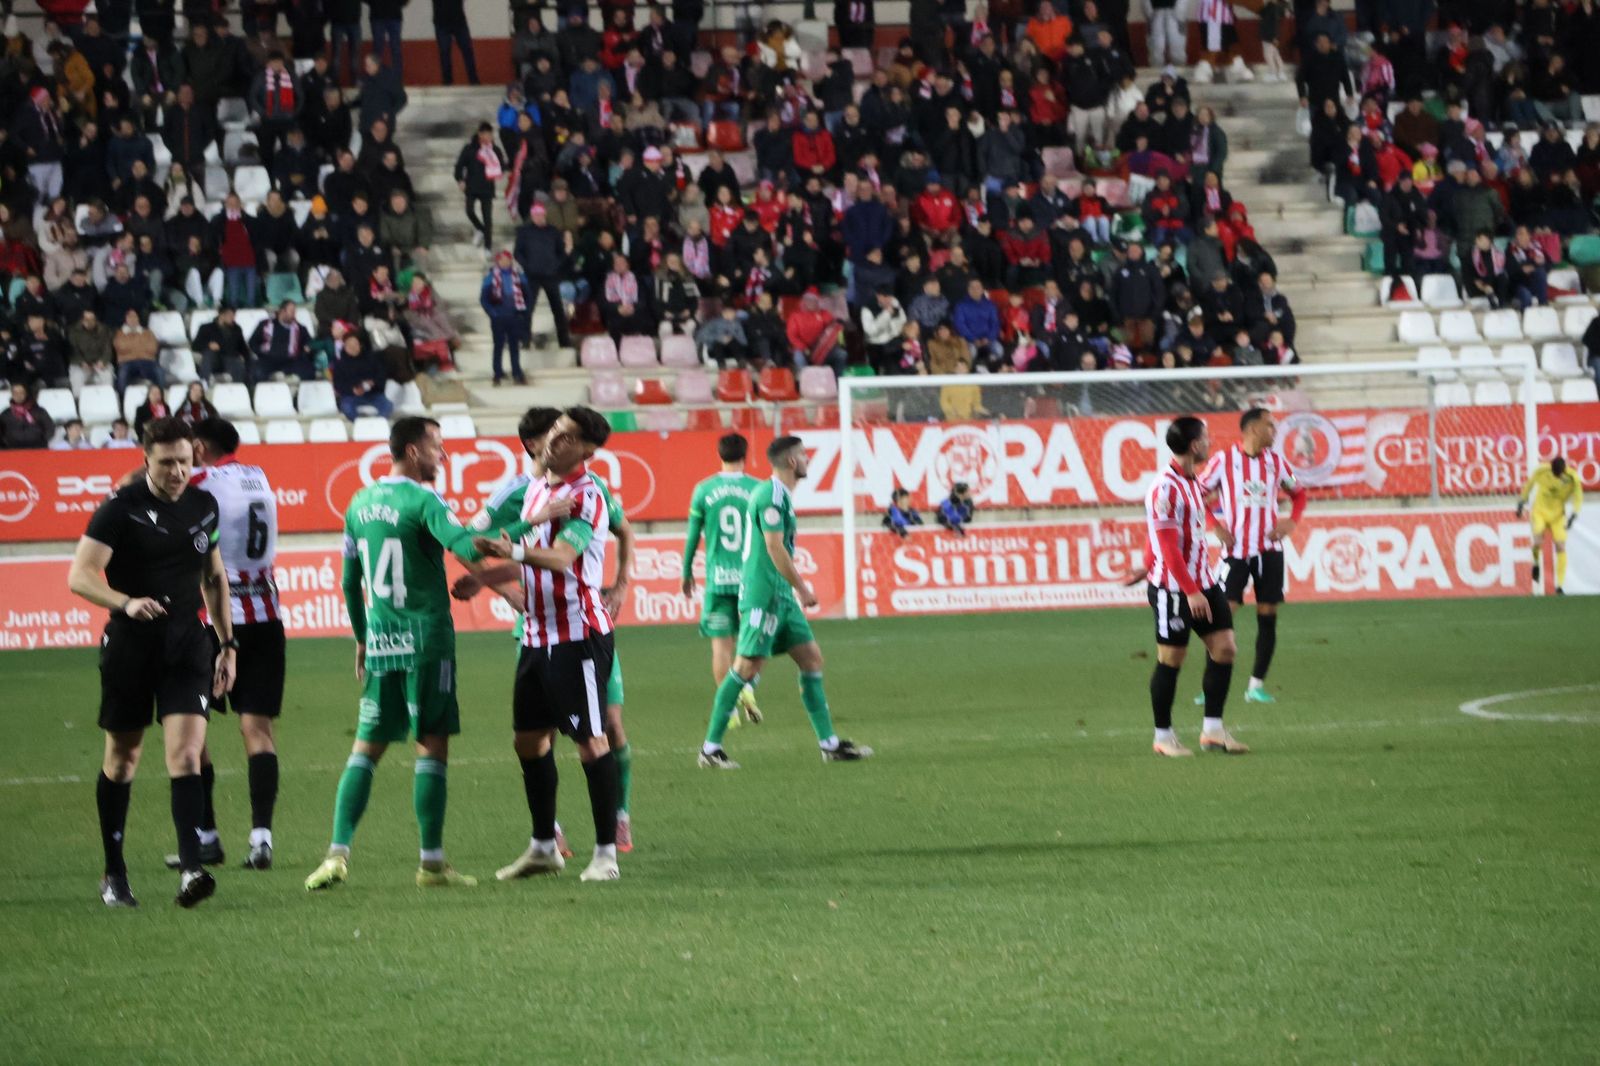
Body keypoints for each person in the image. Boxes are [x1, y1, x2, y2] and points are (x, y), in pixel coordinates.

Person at [304, 417, 486, 892]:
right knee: (433, 743)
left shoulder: (358, 503)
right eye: (437, 448)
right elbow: (464, 546)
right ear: (411, 450)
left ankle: (336, 854)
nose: (443, 457)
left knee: (366, 748)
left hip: (382, 641)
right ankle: (430, 864)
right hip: (427, 641)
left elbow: (349, 581)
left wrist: (363, 638)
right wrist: (522, 529)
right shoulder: (425, 501)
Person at [67, 417, 237, 907]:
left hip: (188, 644)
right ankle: (114, 874)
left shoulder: (204, 506)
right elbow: (80, 575)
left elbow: (214, 578)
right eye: (166, 463)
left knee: (186, 754)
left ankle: (190, 870)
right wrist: (125, 602)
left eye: (185, 460)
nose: (177, 471)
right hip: (131, 647)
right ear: (146, 461)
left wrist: (228, 644)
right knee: (123, 758)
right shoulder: (120, 510)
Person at [456, 408, 624, 882]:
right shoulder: (538, 489)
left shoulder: (587, 495)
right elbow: (530, 562)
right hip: (535, 635)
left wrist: (509, 551)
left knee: (591, 742)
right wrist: (489, 577)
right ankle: (543, 846)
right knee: (528, 741)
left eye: (565, 435)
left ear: (587, 450)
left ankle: (606, 855)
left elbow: (562, 557)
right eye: (553, 431)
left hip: (577, 635)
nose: (553, 440)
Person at [698, 436, 873, 769]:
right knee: (745, 668)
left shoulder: (781, 495)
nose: (807, 460)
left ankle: (829, 745)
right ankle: (710, 749)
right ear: (792, 462)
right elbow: (775, 547)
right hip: (763, 594)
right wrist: (803, 588)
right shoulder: (770, 495)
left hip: (780, 596)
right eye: (804, 455)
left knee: (811, 659)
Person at [159, 419, 284, 872]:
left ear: (197, 447)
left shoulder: (201, 480)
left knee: (194, 729)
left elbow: (153, 486)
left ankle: (207, 836)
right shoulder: (260, 477)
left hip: (215, 620)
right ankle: (261, 838)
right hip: (267, 615)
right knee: (258, 731)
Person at [1143, 416, 1247, 758]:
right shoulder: (1165, 488)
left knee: (1225, 648)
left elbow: (1158, 536)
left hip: (1204, 581)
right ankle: (1163, 736)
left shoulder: (1193, 483)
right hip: (1175, 589)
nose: (1210, 442)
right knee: (1172, 658)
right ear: (1194, 445)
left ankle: (1213, 731)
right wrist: (1189, 590)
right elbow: (1167, 545)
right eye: (1206, 438)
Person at [1195, 408, 1307, 706]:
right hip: (1235, 553)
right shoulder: (1224, 461)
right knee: (1221, 617)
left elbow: (1300, 494)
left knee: (1267, 617)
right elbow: (1196, 493)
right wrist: (1214, 525)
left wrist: (1291, 522)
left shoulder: (1276, 463)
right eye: (1270, 425)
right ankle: (1210, 687)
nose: (1275, 430)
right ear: (1253, 429)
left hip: (1269, 552)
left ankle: (1255, 686)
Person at [681, 433, 764, 724]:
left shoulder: (704, 490)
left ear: (719, 454)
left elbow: (693, 535)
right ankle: (748, 689)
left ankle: (728, 711)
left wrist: (686, 571)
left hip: (718, 580)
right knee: (752, 645)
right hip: (751, 581)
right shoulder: (758, 489)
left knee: (721, 648)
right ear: (746, 454)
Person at [1517, 457, 1583, 594]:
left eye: (1558, 473)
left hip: (1558, 516)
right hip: (1540, 512)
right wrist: (1521, 501)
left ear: (1564, 470)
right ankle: (1536, 564)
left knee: (1560, 545)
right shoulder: (1542, 471)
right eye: (1554, 472)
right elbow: (1529, 484)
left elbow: (1578, 496)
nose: (1556, 475)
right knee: (1537, 541)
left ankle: (1559, 586)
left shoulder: (1572, 478)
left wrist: (1574, 514)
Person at [480, 250, 530, 386]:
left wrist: (522, 312)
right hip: (499, 317)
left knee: (514, 346)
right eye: (502, 260)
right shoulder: (490, 278)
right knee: (498, 345)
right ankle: (497, 372)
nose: (505, 262)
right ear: (498, 261)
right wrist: (493, 312)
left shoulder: (519, 276)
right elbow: (484, 299)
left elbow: (527, 295)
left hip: (514, 316)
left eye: (507, 259)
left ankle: (517, 372)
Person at [455, 123, 506, 250]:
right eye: (486, 134)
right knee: (469, 211)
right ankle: (480, 228)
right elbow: (459, 166)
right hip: (471, 186)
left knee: (488, 218)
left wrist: (498, 168)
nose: (489, 137)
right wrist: (460, 180)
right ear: (480, 134)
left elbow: (502, 166)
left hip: (487, 187)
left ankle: (488, 246)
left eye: (490, 134)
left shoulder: (495, 149)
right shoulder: (470, 148)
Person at [1, 382, 56, 449]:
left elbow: (50, 428)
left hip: (37, 450)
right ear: (12, 394)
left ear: (26, 393)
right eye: (15, 393)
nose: (18, 395)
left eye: (21, 392)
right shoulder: (6, 414)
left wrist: (42, 441)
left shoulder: (39, 411)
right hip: (13, 450)